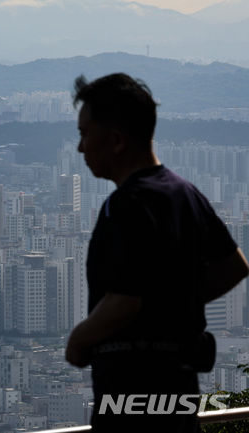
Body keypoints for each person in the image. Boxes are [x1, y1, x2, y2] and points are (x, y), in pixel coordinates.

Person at [65, 73, 249, 433]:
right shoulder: (185, 193)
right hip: (179, 386)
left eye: (85, 134)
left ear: (116, 141)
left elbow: (125, 300)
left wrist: (79, 339)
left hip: (132, 389)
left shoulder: (127, 204)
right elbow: (234, 266)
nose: (80, 148)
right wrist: (175, 304)